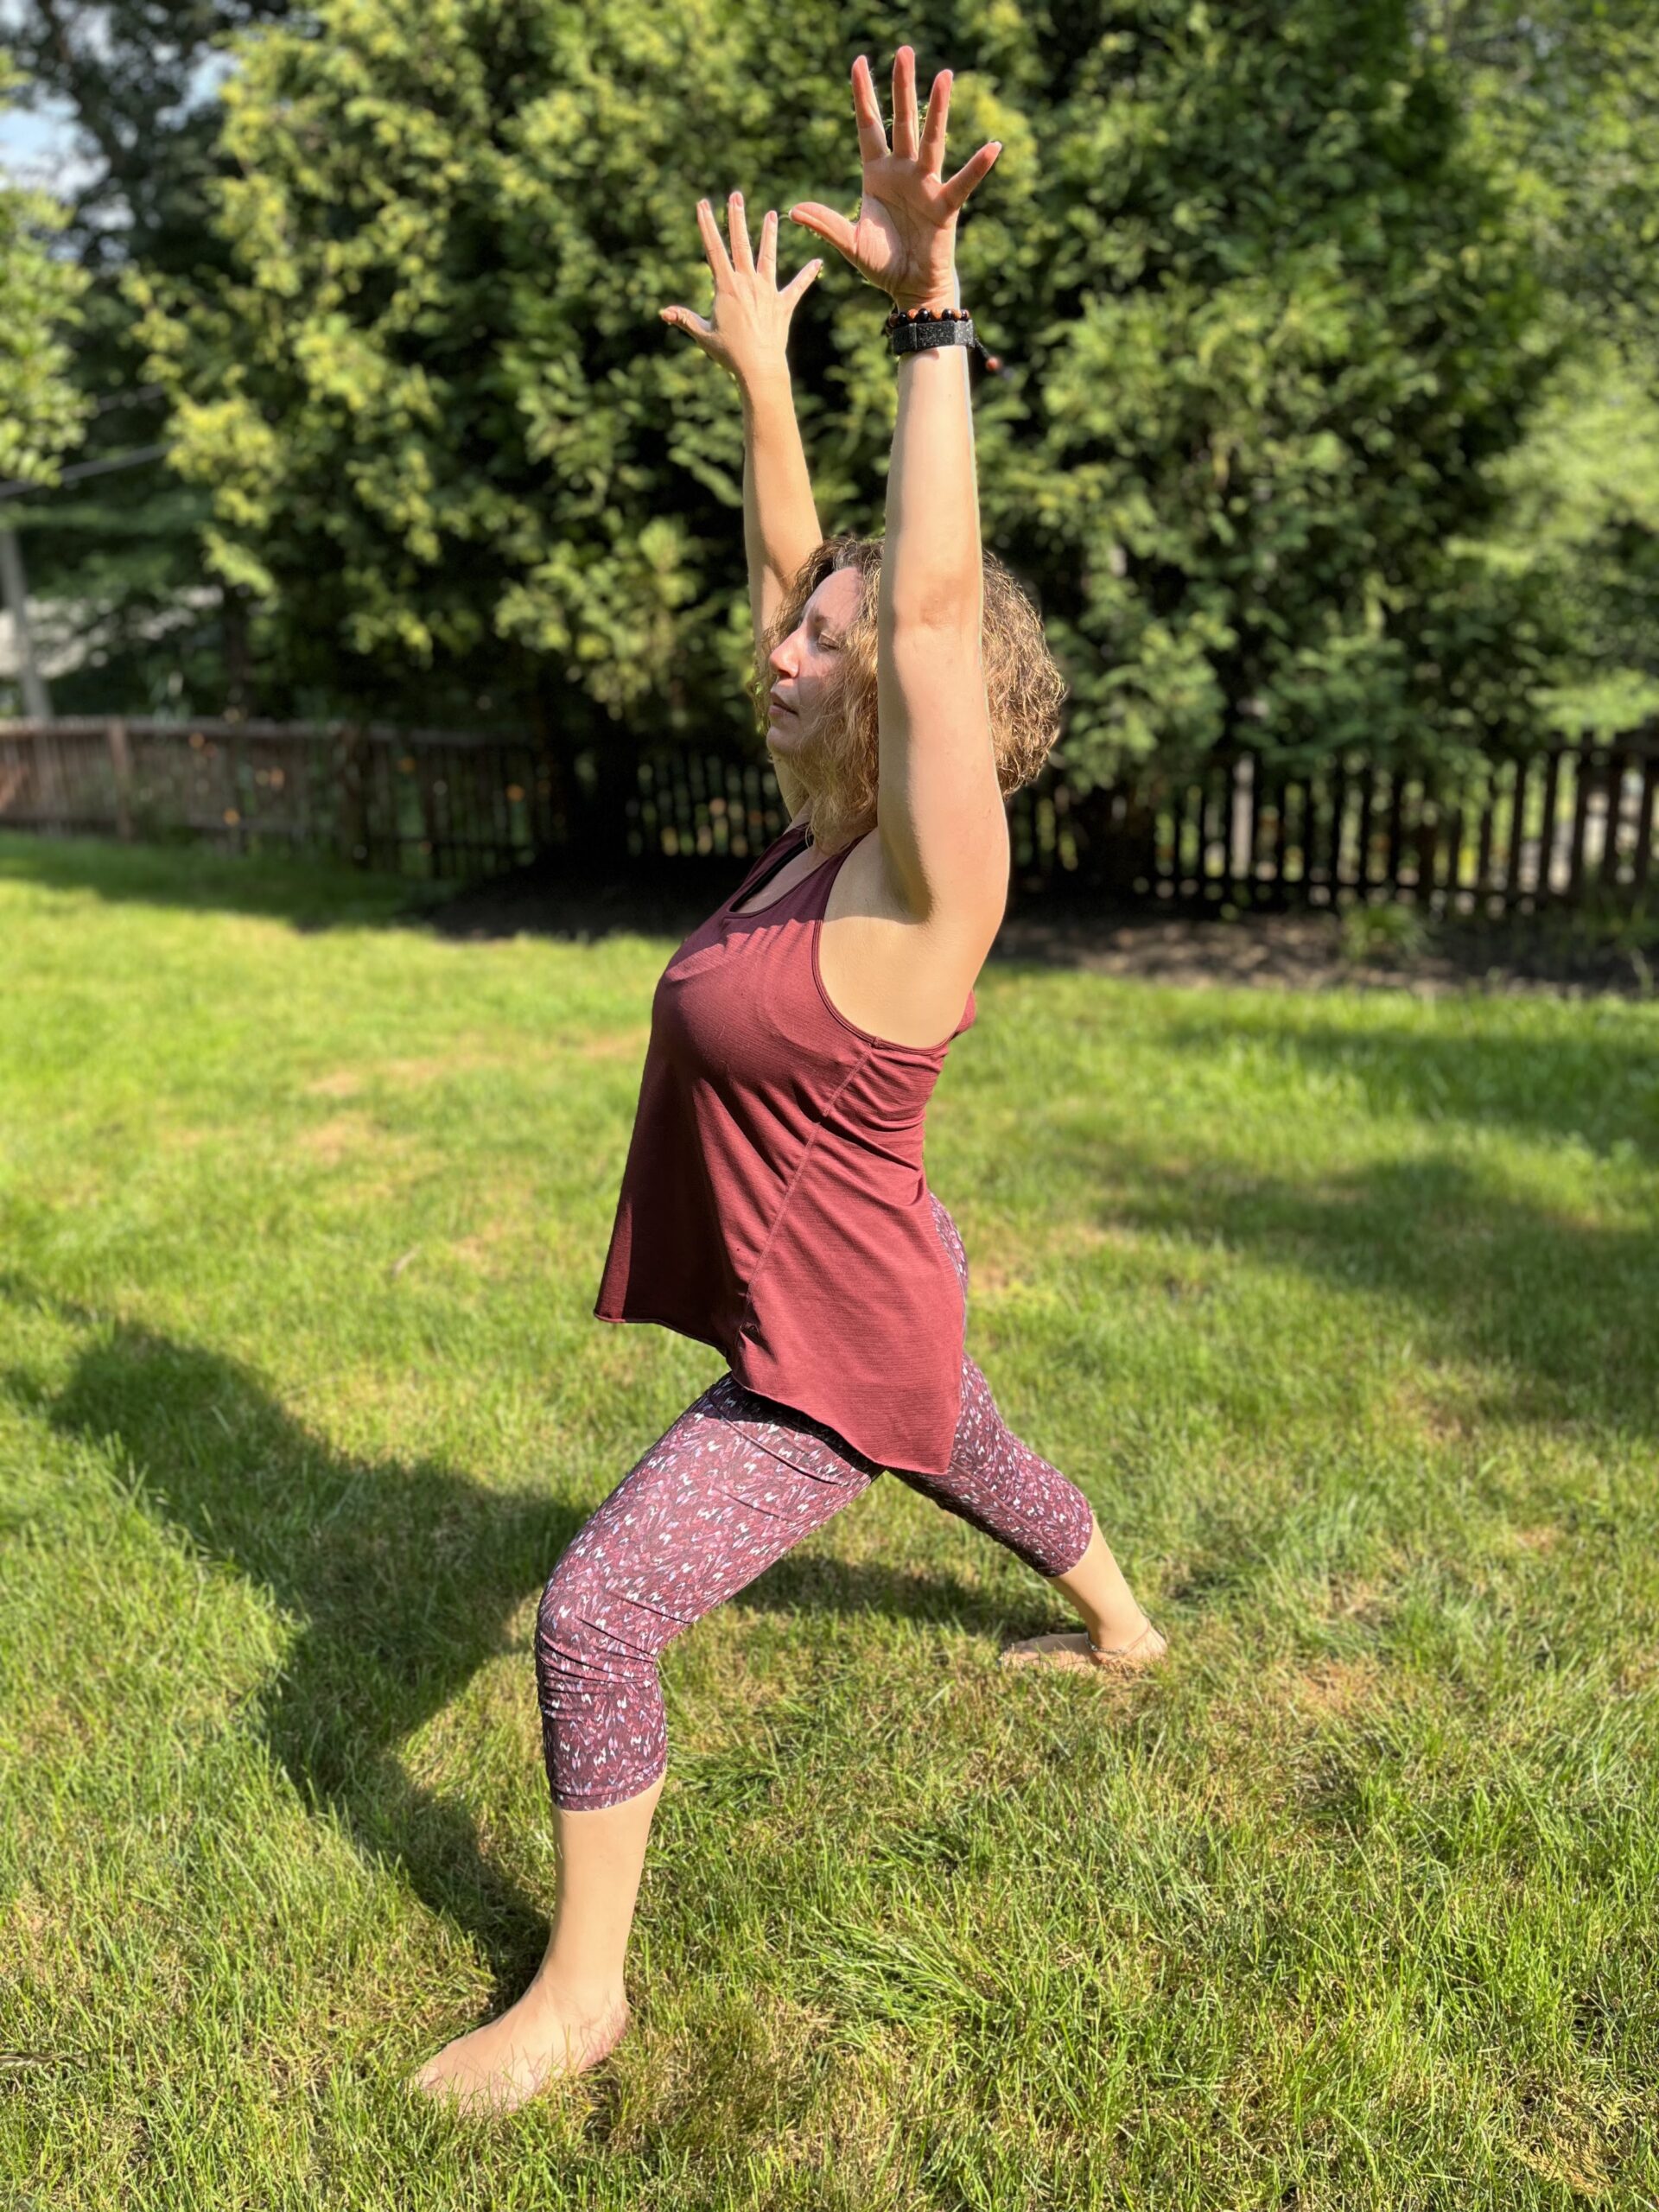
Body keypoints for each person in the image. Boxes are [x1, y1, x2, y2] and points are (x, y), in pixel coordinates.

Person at [413, 45, 1166, 2118]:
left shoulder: (935, 874)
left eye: (829, 637)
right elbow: (809, 583)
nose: (792, 639)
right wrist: (764, 371)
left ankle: (580, 1996)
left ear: (926, 695)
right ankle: (1124, 1629)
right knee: (970, 1440)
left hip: (830, 1338)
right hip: (872, 1280)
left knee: (593, 1610)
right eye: (801, 622)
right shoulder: (822, 836)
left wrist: (933, 312)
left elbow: (915, 609)